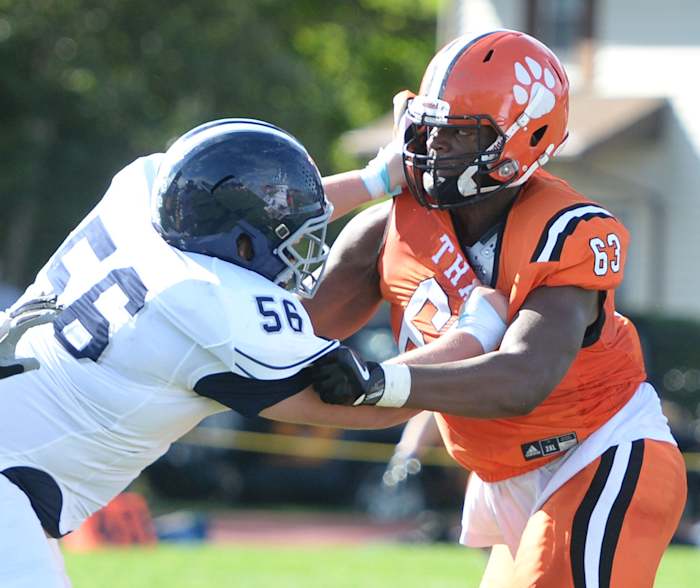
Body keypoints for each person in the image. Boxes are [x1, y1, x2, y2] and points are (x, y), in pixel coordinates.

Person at [307, 30, 687, 587]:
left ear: (525, 139)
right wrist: (364, 183)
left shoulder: (567, 230)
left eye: (457, 135)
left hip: (600, 451)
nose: (432, 150)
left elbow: (522, 377)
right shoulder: (390, 229)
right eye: (428, 129)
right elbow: (294, 330)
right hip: (503, 471)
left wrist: (383, 381)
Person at [1, 118, 444, 587]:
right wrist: (480, 334)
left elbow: (252, 217)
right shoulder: (207, 305)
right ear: (242, 244)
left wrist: (375, 179)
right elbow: (370, 408)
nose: (301, 247)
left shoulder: (144, 192)